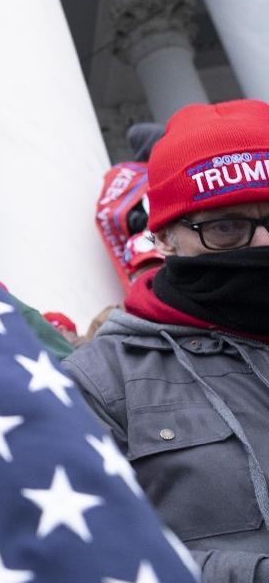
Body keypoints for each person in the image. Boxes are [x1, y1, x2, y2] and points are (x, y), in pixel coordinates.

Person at [62, 99, 269, 582]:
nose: (263, 245)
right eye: (225, 227)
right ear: (164, 239)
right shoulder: (99, 383)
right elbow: (81, 552)